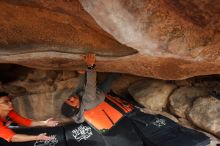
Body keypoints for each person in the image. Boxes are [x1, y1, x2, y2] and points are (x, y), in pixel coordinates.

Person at [61, 54, 120, 123]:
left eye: (68, 99)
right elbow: (90, 83)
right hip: (100, 93)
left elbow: (79, 88)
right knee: (110, 78)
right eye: (72, 101)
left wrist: (81, 74)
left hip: (89, 92)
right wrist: (91, 65)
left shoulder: (75, 99)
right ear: (77, 107)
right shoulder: (88, 102)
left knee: (87, 77)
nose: (71, 98)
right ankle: (120, 70)